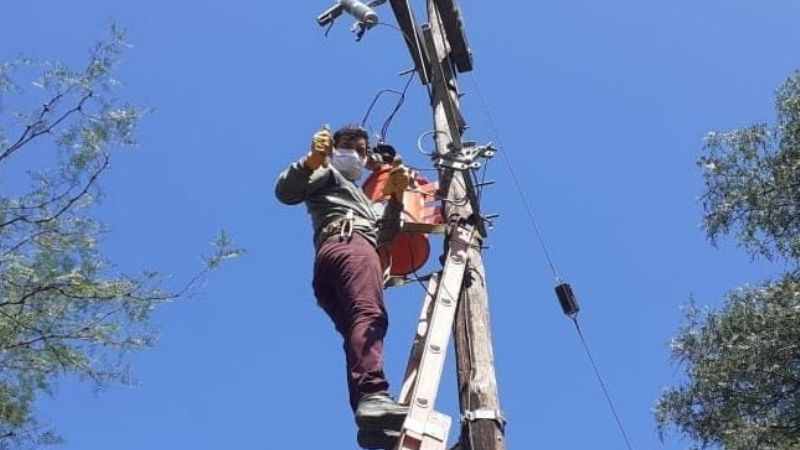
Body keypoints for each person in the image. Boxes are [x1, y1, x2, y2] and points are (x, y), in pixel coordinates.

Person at [275, 124, 411, 449]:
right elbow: (286, 192)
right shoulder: (328, 175)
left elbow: (386, 232)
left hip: (335, 260)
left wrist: (396, 196)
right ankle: (374, 396)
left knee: (358, 327)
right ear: (334, 148)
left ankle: (370, 420)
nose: (356, 153)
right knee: (371, 316)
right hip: (349, 245)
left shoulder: (361, 200)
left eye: (362, 150)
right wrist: (311, 160)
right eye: (348, 144)